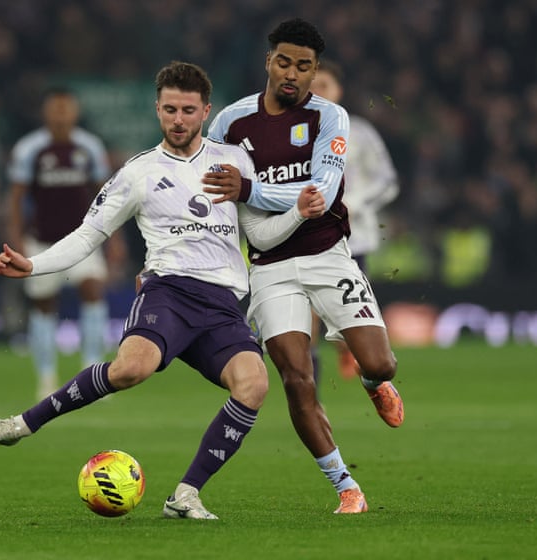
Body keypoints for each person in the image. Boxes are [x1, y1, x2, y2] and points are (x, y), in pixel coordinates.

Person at [0, 61, 326, 520]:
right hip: (168, 292)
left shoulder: (234, 161)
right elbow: (89, 234)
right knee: (131, 369)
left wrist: (297, 213)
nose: (179, 119)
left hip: (223, 305)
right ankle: (21, 424)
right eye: (170, 109)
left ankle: (186, 495)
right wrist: (33, 265)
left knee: (254, 384)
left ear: (206, 111)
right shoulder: (138, 172)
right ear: (157, 109)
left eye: (188, 110)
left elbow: (260, 234)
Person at [203, 18, 404, 514]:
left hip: (327, 255)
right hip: (269, 268)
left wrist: (250, 190)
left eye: (304, 66)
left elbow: (323, 193)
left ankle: (373, 383)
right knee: (296, 378)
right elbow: (215, 195)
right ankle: (346, 486)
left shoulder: (330, 117)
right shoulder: (229, 123)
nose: (292, 74)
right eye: (284, 62)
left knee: (380, 362)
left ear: (315, 72)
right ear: (268, 62)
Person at [7, 87, 112, 400]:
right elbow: (16, 198)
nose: (61, 114)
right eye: (56, 108)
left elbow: (107, 194)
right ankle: (46, 377)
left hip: (83, 240)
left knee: (93, 291)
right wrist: (16, 238)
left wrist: (115, 237)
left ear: (75, 112)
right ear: (46, 112)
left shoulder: (89, 147)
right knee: (43, 305)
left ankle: (92, 372)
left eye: (66, 108)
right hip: (41, 241)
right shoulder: (29, 149)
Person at [309, 59, 400, 381]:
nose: (317, 92)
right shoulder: (290, 132)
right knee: (306, 322)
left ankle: (357, 359)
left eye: (324, 85)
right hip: (303, 238)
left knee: (351, 324)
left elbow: (387, 181)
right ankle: (309, 395)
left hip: (351, 240)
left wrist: (353, 203)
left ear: (339, 90)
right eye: (311, 85)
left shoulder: (359, 132)